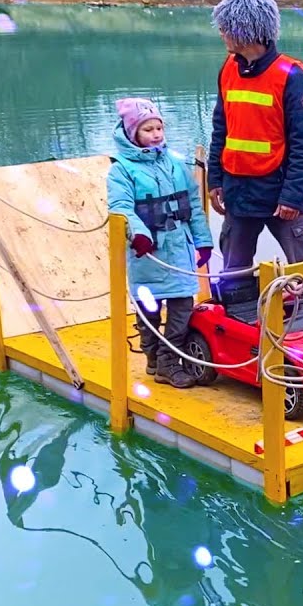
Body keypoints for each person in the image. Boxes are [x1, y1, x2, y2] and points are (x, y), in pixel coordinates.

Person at [206, 0, 303, 299]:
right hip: (237, 192)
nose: (221, 33)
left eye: (226, 27)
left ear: (246, 30)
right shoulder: (227, 69)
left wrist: (293, 195)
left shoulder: (291, 74)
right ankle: (238, 332)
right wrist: (214, 180)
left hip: (281, 194)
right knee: (234, 277)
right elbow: (221, 128)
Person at [106, 97, 214, 389]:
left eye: (158, 128)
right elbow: (121, 208)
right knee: (149, 310)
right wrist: (139, 234)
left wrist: (203, 241)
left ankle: (168, 361)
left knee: (182, 306)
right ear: (132, 134)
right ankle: (153, 357)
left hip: (179, 248)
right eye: (147, 129)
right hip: (147, 254)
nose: (155, 134)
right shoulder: (122, 170)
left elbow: (192, 202)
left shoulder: (176, 164)